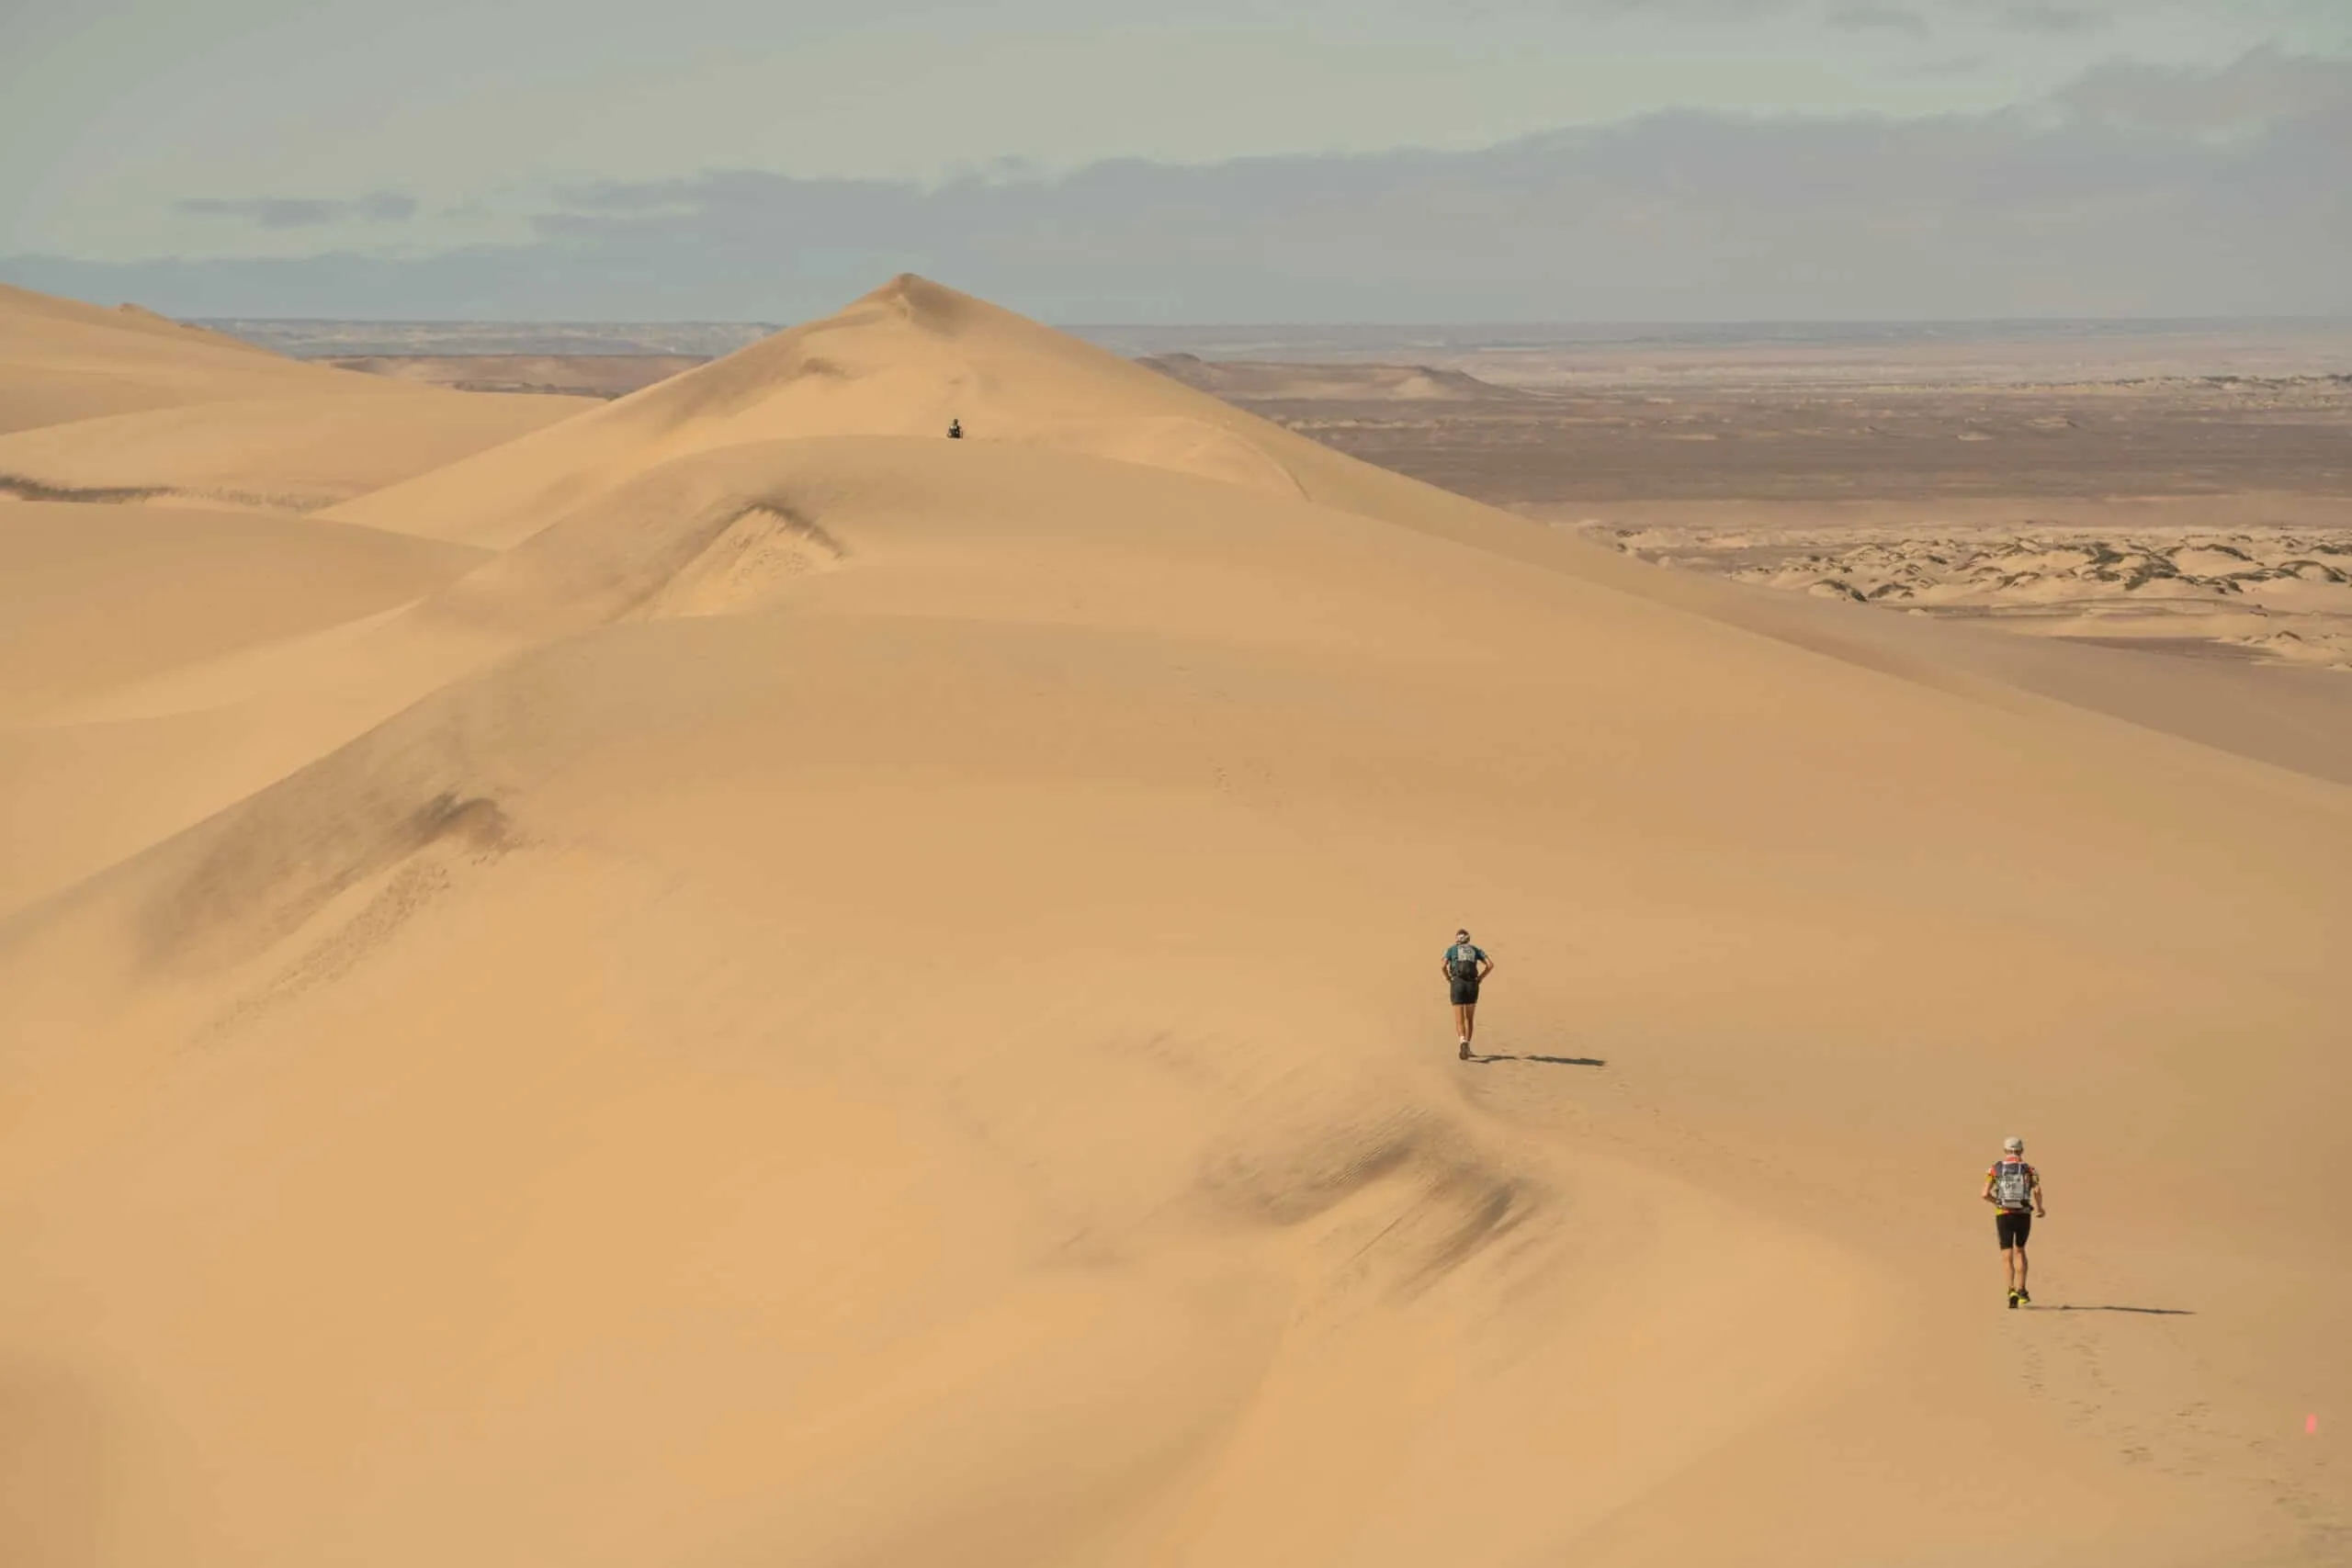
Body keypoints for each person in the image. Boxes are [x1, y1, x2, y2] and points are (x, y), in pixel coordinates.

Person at [1983, 1136, 2047, 1307]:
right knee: (2020, 1251)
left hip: (2003, 1214)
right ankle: (2022, 1290)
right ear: (2021, 1151)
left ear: (2005, 1151)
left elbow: (1984, 1193)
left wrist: (1997, 1201)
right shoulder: (2028, 1169)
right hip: (2023, 1214)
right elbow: (2037, 1190)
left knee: (2006, 1254)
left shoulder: (1995, 1169)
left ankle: (2010, 1289)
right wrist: (2040, 1208)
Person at [1441, 929, 1494, 1060]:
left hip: (1457, 983)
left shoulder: (1452, 950)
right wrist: (1480, 978)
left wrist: (1448, 978)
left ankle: (1462, 1041)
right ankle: (1468, 1046)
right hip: (1472, 984)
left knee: (1459, 1020)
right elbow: (1490, 965)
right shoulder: (1475, 950)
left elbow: (1443, 966)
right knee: (1469, 1018)